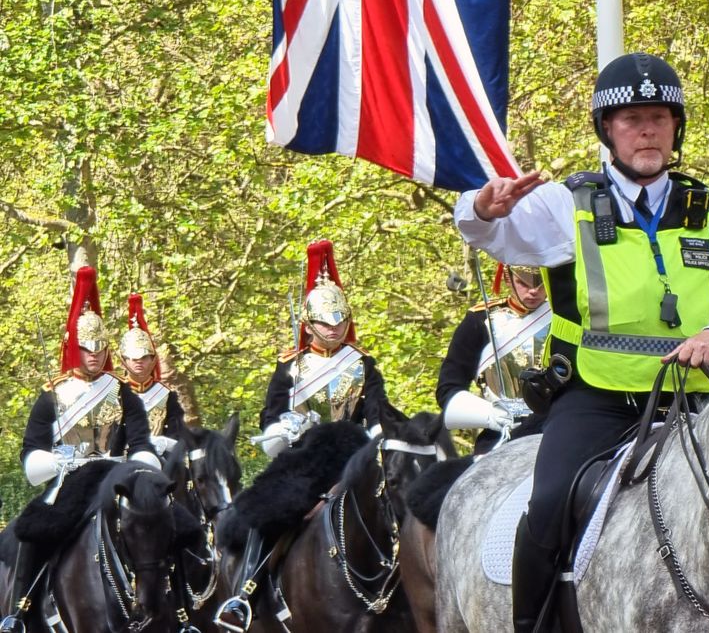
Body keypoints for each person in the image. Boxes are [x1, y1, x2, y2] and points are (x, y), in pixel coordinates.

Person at [454, 52, 709, 632]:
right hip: (595, 399)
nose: (646, 129)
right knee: (549, 505)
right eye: (630, 119)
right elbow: (494, 235)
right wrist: (480, 209)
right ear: (608, 131)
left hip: (697, 401)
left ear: (677, 128)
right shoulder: (564, 205)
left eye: (658, 116)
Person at [216, 239, 396, 632]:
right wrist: (285, 428)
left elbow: (379, 413)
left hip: (354, 454)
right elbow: (269, 418)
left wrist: (378, 437)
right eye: (325, 323)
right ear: (309, 323)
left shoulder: (363, 364)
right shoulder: (290, 367)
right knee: (265, 512)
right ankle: (243, 597)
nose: (334, 330)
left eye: (339, 322)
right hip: (304, 458)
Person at [1, 267, 159, 633]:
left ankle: (181, 607)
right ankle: (18, 610)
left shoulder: (121, 392)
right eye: (86, 347)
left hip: (114, 479)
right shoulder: (52, 393)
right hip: (68, 481)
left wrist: (140, 470)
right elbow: (32, 449)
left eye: (99, 347)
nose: (93, 354)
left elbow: (140, 442)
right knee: (32, 529)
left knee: (169, 522)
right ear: (74, 346)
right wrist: (54, 460)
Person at [437, 263, 550, 454]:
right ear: (508, 278)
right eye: (523, 282)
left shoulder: (564, 317)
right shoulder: (480, 319)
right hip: (501, 435)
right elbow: (448, 388)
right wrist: (490, 415)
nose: (533, 291)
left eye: (540, 285)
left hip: (554, 427)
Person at [110, 292, 186, 457]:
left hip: (157, 464)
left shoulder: (166, 396)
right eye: (133, 358)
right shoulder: (111, 393)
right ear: (123, 361)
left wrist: (165, 443)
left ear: (153, 361)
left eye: (145, 357)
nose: (139, 362)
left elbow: (179, 437)